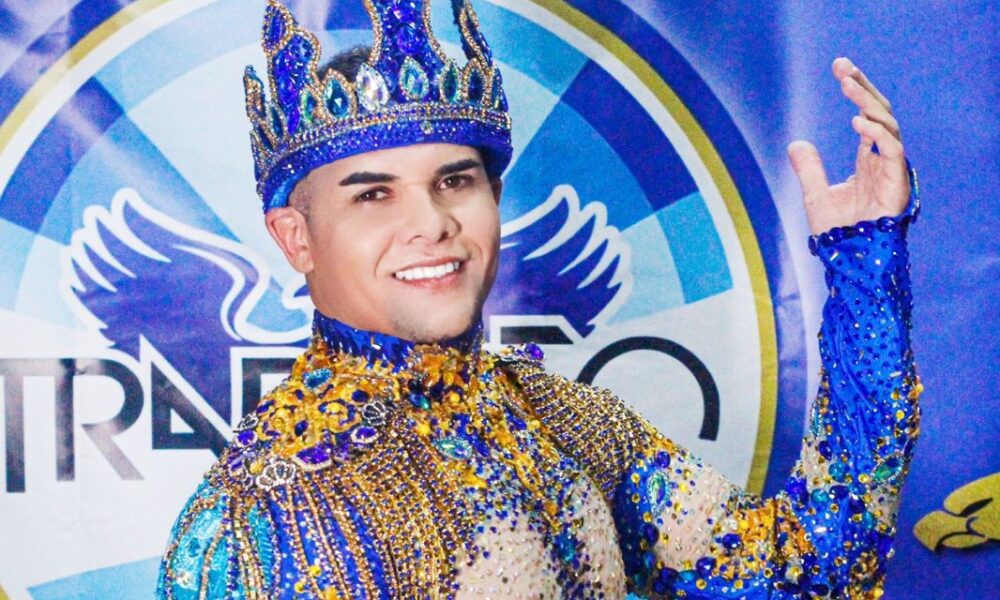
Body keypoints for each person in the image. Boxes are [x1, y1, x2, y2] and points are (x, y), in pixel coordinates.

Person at [157, 0, 922, 597]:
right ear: (296, 237)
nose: (433, 223)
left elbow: (802, 571)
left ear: (493, 197)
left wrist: (864, 265)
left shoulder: (567, 421)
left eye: (455, 181)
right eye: (373, 195)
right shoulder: (257, 522)